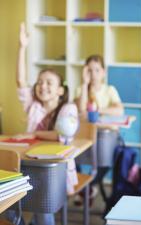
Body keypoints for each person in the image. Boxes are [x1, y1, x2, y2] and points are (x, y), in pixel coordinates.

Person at [11, 22, 79, 225]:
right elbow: (20, 81)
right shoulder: (34, 106)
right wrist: (22, 47)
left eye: (49, 83)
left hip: (53, 171)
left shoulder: (69, 109)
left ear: (60, 90)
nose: (42, 86)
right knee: (11, 206)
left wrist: (30, 135)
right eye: (40, 82)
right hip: (28, 165)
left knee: (43, 206)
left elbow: (62, 136)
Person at [75, 55, 124, 206]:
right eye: (89, 70)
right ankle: (83, 185)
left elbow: (119, 110)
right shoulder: (80, 89)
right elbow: (80, 109)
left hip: (105, 136)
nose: (93, 74)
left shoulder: (109, 90)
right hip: (86, 135)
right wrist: (84, 84)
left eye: (97, 70)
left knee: (105, 163)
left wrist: (98, 110)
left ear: (103, 72)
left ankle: (87, 186)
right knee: (74, 158)